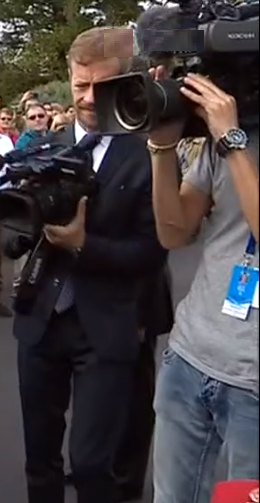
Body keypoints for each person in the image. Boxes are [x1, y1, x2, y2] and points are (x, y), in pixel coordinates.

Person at [9, 27, 166, 503]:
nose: (89, 99)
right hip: (40, 320)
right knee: (40, 458)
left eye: (102, 87)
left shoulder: (150, 153)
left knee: (94, 464)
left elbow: (152, 251)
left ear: (125, 83)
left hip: (107, 326)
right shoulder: (44, 143)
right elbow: (20, 230)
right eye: (80, 87)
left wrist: (83, 244)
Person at [148, 61, 259, 503]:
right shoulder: (223, 143)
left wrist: (232, 142)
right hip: (190, 357)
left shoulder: (230, 141)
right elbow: (173, 231)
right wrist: (160, 150)